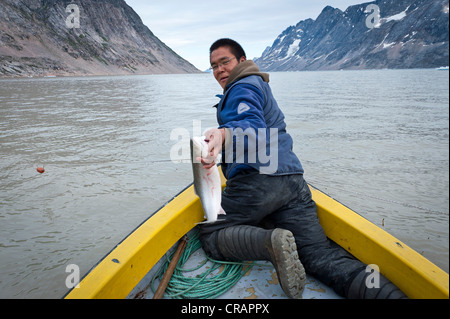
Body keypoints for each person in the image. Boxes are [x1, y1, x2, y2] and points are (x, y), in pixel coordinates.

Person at [198, 38, 407, 299]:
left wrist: (224, 134)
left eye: (224, 61)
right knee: (319, 256)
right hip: (293, 183)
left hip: (257, 182)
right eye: (213, 66)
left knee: (211, 234)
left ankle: (269, 243)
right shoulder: (258, 84)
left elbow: (253, 127)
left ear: (241, 61)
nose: (219, 70)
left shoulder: (241, 87)